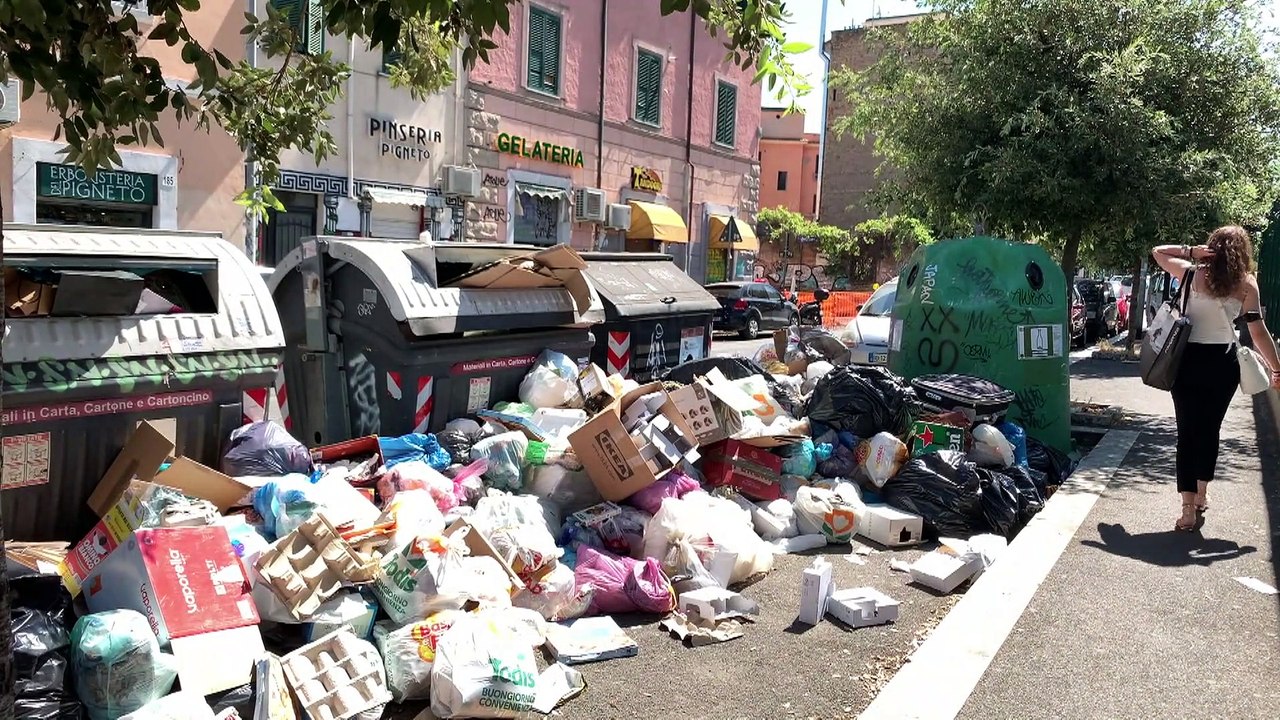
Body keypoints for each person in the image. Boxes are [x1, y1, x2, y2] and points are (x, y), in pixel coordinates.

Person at [1153, 226, 1280, 532]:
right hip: (1223, 365)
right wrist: (1276, 367)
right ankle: (1201, 494)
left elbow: (1158, 252)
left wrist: (1190, 251)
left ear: (1210, 247)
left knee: (1186, 431)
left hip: (1186, 362)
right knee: (1210, 429)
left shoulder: (1191, 273)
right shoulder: (1247, 284)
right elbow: (1257, 330)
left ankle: (1187, 509)